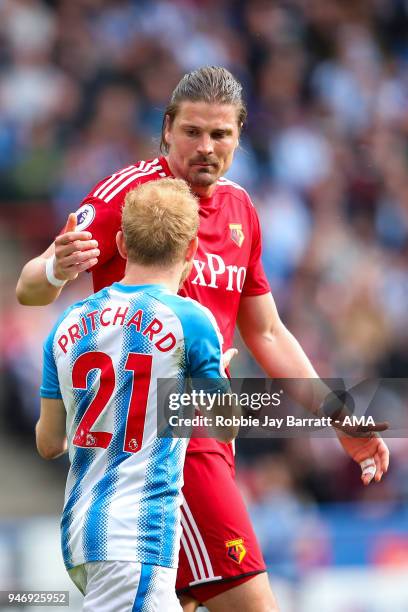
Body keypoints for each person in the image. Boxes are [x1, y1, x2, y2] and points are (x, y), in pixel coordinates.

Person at [19, 66, 389, 612]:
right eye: (192, 132)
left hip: (209, 442)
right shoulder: (133, 197)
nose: (205, 147)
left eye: (220, 135)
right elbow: (30, 287)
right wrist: (54, 271)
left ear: (239, 136)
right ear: (167, 128)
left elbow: (266, 330)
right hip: (169, 449)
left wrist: (336, 414)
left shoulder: (241, 210)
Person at [36, 178, 238, 611]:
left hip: (82, 534)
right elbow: (227, 427)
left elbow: (49, 443)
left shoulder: (66, 323)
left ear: (122, 244)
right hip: (137, 535)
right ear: (192, 251)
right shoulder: (192, 321)